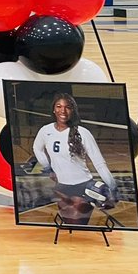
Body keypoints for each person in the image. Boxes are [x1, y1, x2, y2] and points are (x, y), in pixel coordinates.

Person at [33, 93, 117, 226]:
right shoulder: (45, 131)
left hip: (83, 187)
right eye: (59, 106)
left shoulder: (82, 133)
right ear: (53, 109)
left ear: (73, 110)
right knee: (68, 225)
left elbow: (99, 163)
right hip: (61, 187)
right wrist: (48, 168)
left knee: (78, 224)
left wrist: (112, 187)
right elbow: (37, 148)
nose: (63, 110)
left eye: (67, 107)